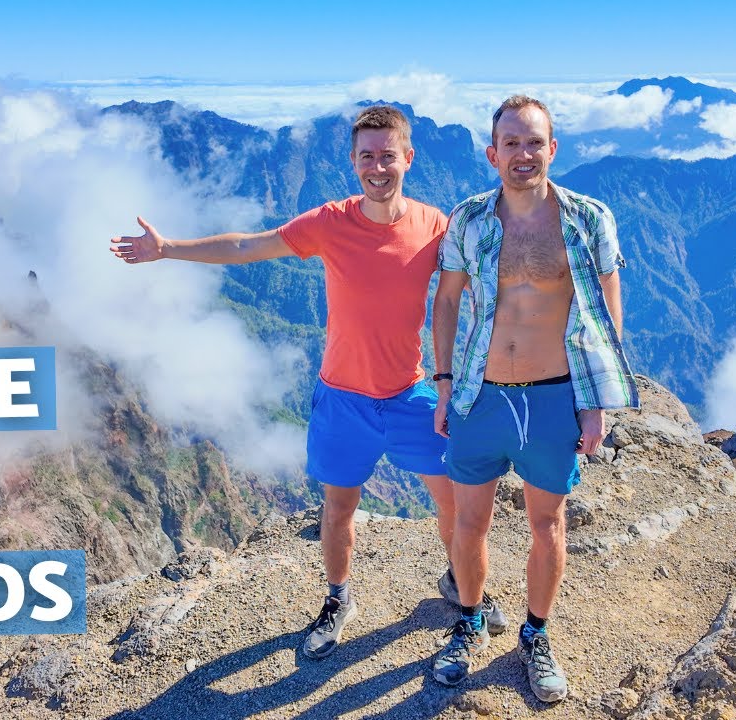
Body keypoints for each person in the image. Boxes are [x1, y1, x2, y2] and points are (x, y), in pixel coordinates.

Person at [111, 105, 505, 660]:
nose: (377, 167)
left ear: (408, 159)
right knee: (339, 509)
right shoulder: (329, 222)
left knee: (453, 508)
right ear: (352, 161)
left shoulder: (434, 226)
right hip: (342, 397)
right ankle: (337, 599)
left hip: (412, 394)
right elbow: (249, 246)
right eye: (366, 156)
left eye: (387, 155)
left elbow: (481, 276)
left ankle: (464, 589)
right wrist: (168, 249)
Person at [429, 95, 640, 701]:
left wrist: (594, 399)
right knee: (470, 522)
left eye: (534, 142)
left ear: (554, 148)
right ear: (493, 153)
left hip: (553, 394)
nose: (524, 154)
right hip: (480, 392)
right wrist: (444, 383)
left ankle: (536, 634)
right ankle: (469, 622)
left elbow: (606, 311)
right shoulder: (468, 219)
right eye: (512, 144)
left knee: (548, 522)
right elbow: (446, 303)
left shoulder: (588, 218)